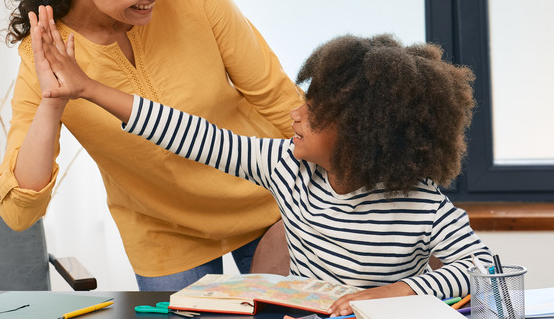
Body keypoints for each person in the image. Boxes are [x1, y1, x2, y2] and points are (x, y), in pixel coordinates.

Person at [32, 25, 494, 316]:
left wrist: (392, 292)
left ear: (361, 133)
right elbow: (190, 134)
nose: (296, 114)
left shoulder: (420, 203)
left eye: (313, 112)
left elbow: (482, 268)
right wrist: (89, 88)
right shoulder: (287, 168)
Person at [0, 0, 304, 291]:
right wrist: (53, 103)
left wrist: (324, 200)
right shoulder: (45, 53)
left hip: (268, 204)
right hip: (164, 233)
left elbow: (278, 97)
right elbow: (19, 211)